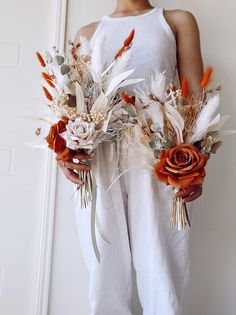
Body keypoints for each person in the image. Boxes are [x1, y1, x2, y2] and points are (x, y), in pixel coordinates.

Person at [58, 1, 204, 314]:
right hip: (99, 159)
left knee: (161, 266)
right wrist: (66, 151)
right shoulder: (88, 33)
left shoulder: (175, 21)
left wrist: (195, 163)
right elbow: (71, 103)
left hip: (158, 155)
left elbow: (195, 100)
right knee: (104, 271)